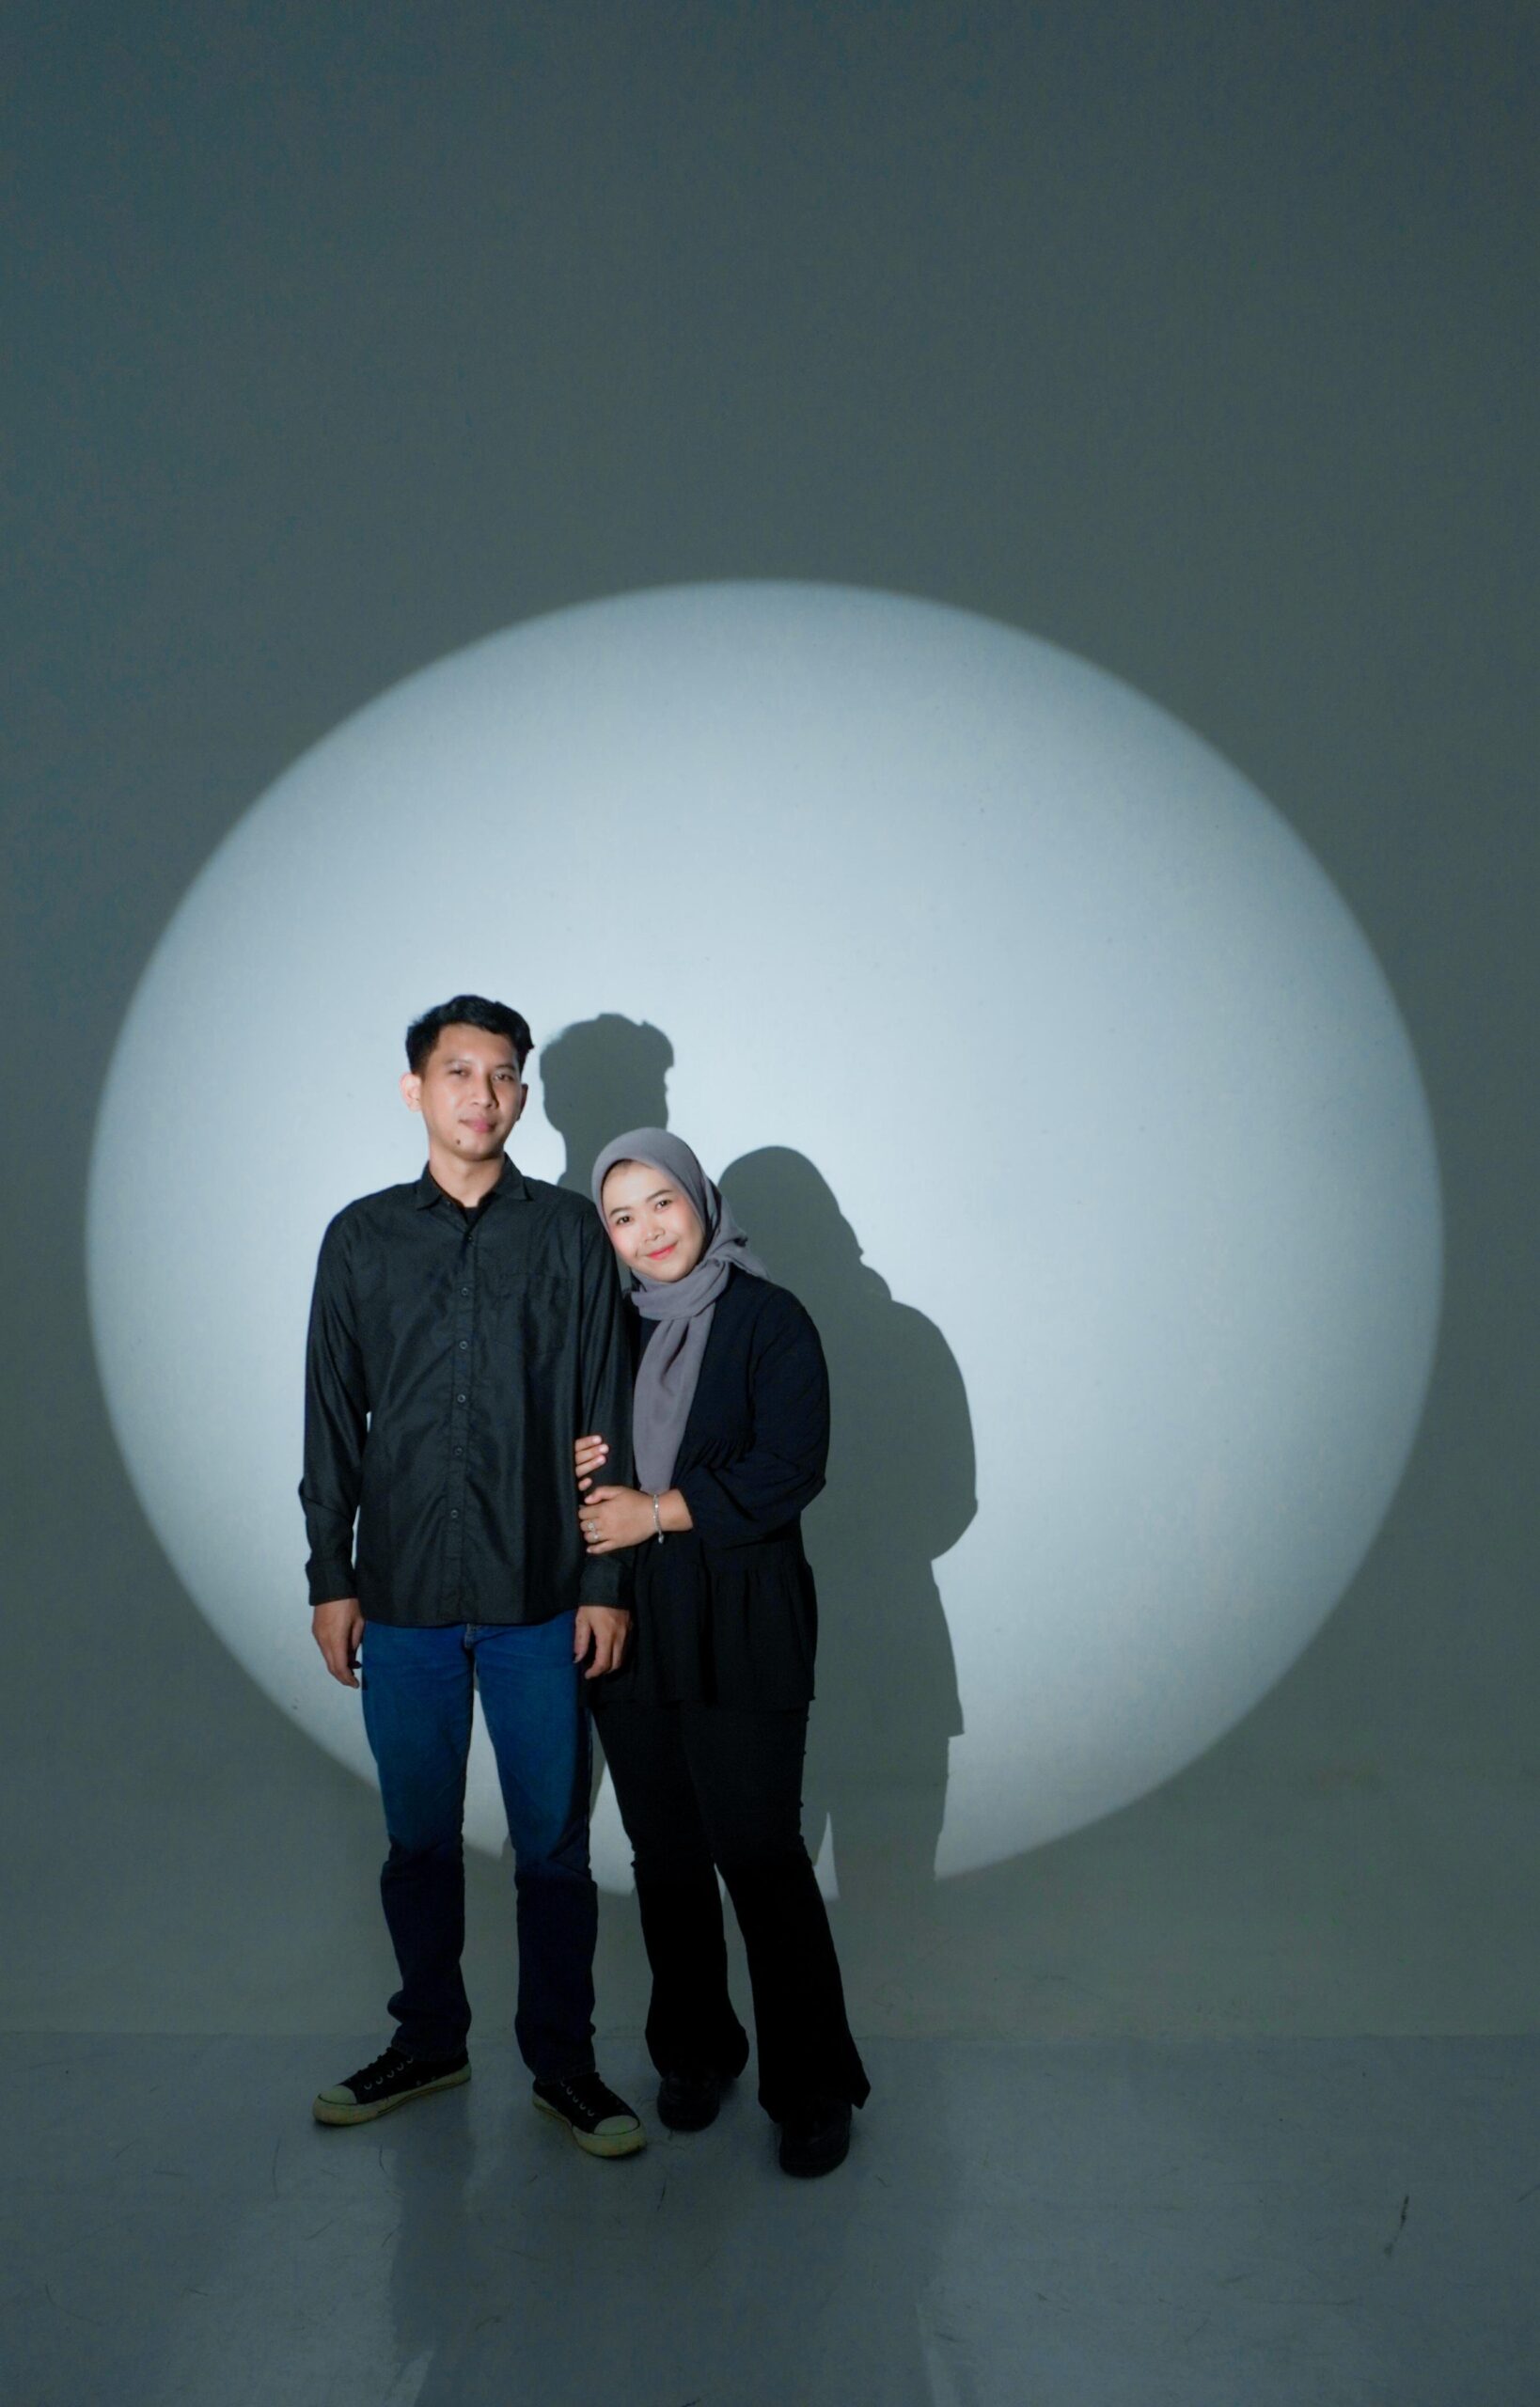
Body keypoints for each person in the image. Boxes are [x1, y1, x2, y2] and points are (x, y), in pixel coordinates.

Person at [301, 995, 644, 2157]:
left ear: (523, 1094)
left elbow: (608, 1410)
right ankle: (429, 2040)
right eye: (458, 1072)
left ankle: (566, 2064)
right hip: (399, 1597)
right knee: (418, 1842)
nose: (481, 1095)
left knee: (553, 1848)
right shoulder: (359, 1239)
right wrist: (330, 1574)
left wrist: (604, 1585)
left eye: (502, 1075)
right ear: (416, 1089)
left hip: (541, 1595)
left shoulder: (571, 1235)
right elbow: (330, 1421)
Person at [576, 1128, 870, 2178]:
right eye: (622, 1216)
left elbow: (793, 1465)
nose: (648, 1231)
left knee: (757, 1848)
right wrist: (575, 1463)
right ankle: (696, 2049)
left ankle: (814, 2083)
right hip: (631, 1619)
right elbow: (576, 1466)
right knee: (664, 1853)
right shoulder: (605, 1329)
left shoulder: (770, 1318)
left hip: (744, 1616)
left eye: (663, 1202)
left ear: (700, 1200)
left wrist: (656, 1510)